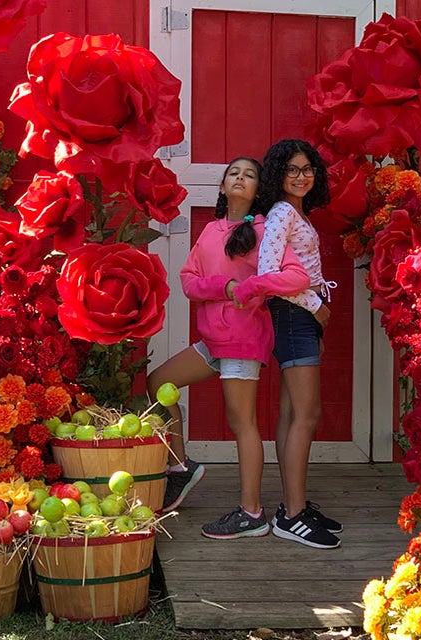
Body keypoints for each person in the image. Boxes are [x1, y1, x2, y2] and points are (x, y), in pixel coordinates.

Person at [147, 157, 309, 539]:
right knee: (158, 384)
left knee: (242, 423)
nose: (240, 177)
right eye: (233, 173)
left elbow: (297, 276)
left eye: (249, 175)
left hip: (243, 339)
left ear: (257, 190)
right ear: (222, 187)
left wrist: (253, 288)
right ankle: (180, 466)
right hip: (213, 340)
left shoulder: (266, 230)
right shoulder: (210, 230)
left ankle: (251, 513)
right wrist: (226, 287)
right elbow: (189, 281)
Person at [247, 138, 341, 549]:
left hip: (299, 317)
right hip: (294, 315)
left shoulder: (296, 212)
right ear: (278, 175)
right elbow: (269, 275)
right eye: (292, 170)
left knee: (291, 413)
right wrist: (315, 306)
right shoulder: (283, 212)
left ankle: (292, 505)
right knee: (307, 414)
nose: (301, 177)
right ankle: (293, 515)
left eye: (307, 169)